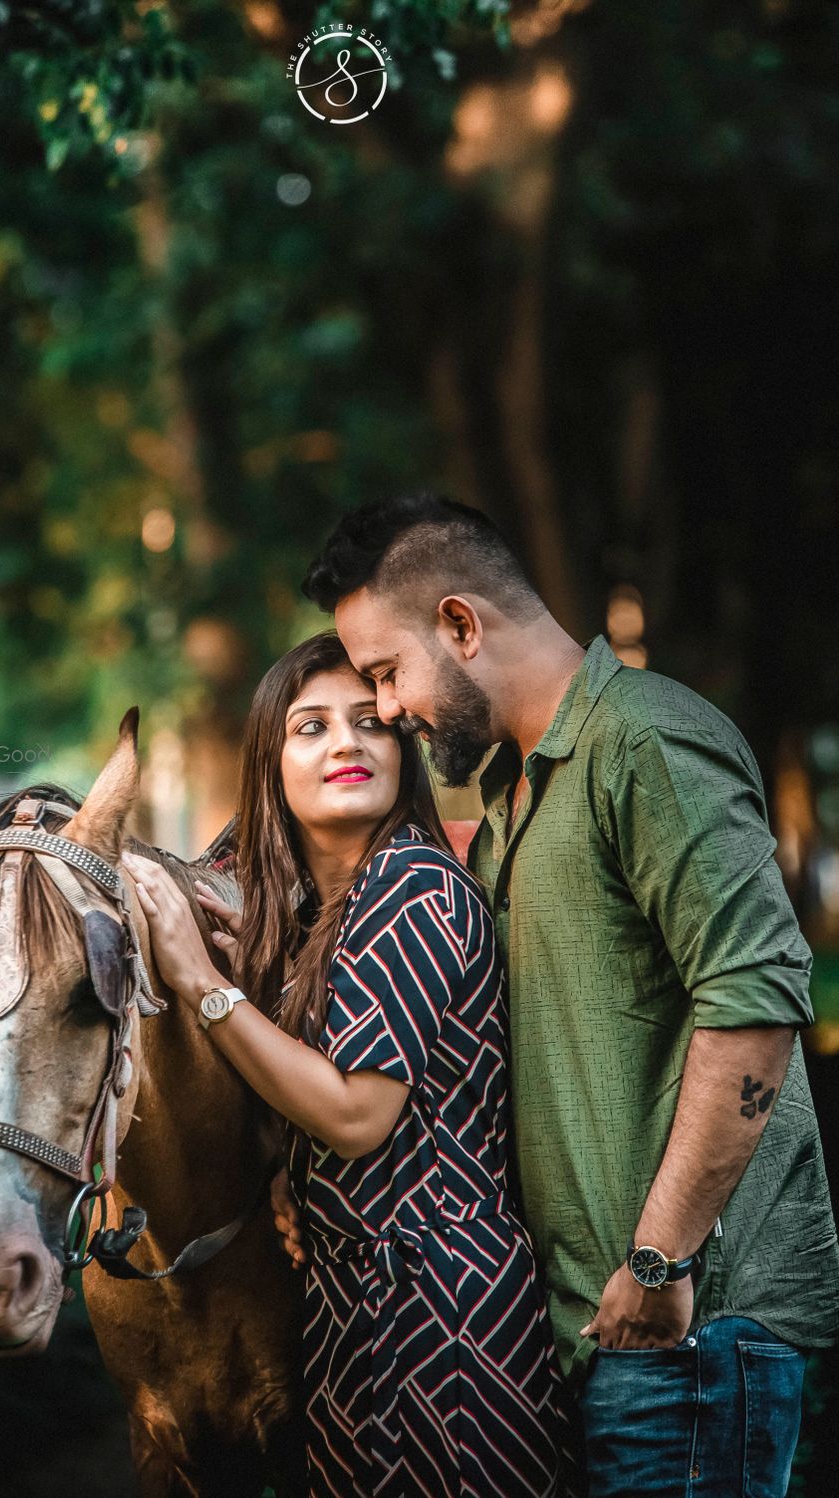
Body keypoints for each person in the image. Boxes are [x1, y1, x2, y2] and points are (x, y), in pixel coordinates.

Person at [294, 493, 839, 1498]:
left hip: (688, 1333)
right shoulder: (514, 800)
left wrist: (660, 1259)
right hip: (605, 1333)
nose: (388, 709)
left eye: (385, 672)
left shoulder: (645, 741)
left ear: (460, 623)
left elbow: (755, 1004)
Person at [122, 631, 576, 1498]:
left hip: (447, 1310)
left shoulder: (413, 888)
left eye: (371, 722)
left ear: (404, 749)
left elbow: (355, 1118)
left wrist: (201, 982)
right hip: (347, 1306)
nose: (346, 744)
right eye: (311, 726)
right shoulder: (322, 908)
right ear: (271, 762)